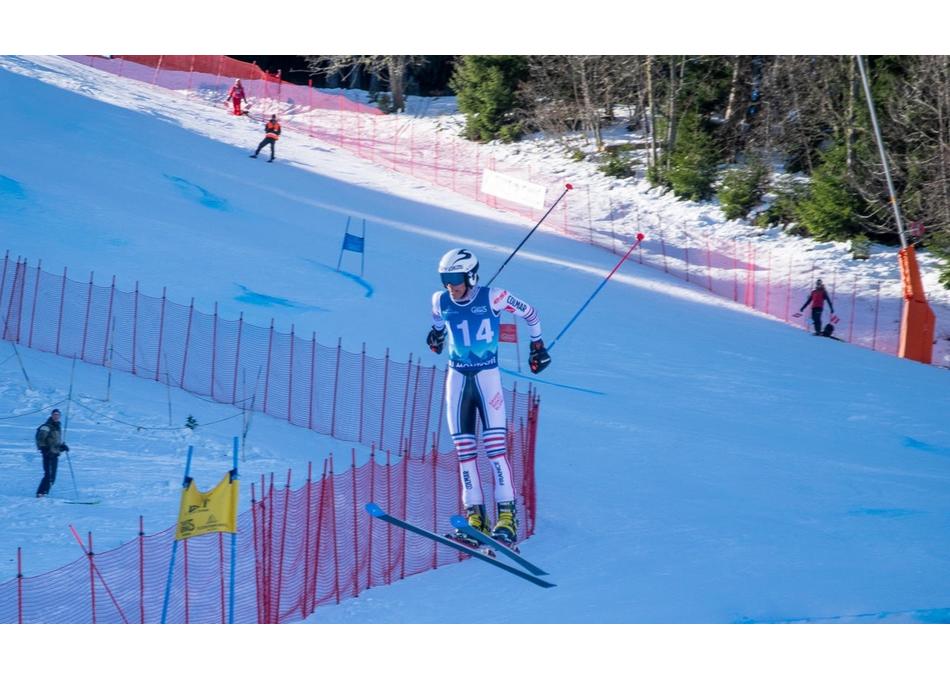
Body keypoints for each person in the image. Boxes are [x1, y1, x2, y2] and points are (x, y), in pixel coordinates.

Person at [427, 248, 551, 546]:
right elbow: (437, 323)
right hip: (457, 379)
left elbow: (530, 313)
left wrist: (537, 346)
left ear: (471, 276)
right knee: (464, 452)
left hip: (487, 379)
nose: (451, 286)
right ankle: (476, 519)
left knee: (495, 449)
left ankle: (507, 518)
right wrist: (436, 336)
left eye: (456, 279)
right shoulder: (440, 300)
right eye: (445, 279)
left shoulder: (494, 297)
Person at [35, 408, 69, 498]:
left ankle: (45, 493)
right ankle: (40, 493)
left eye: (58, 415)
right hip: (47, 454)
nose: (56, 416)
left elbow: (54, 442)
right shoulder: (46, 426)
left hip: (54, 454)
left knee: (52, 477)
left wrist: (62, 447)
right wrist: (44, 450)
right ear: (51, 415)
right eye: (55, 414)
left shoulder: (57, 426)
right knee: (48, 475)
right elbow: (40, 439)